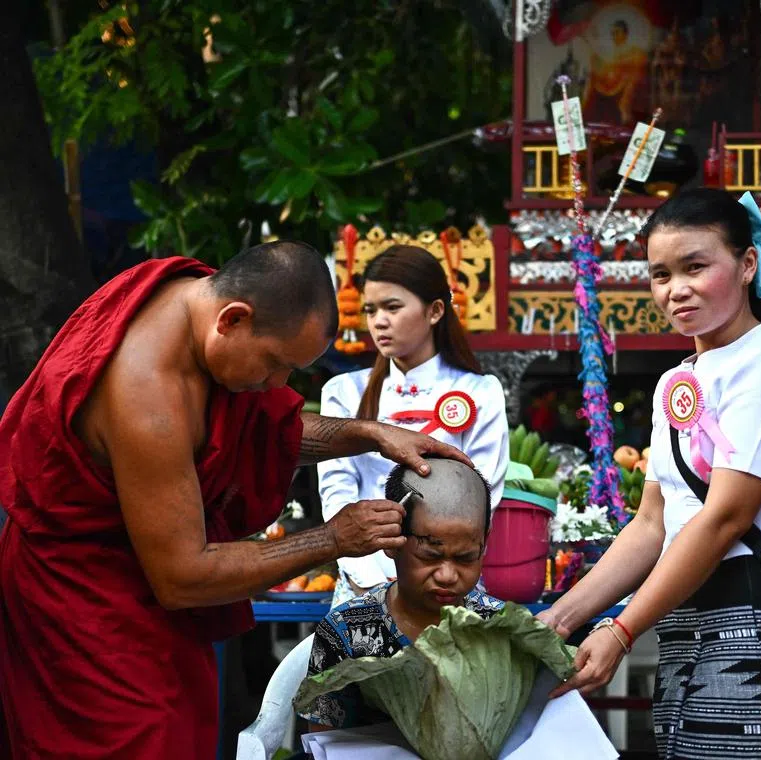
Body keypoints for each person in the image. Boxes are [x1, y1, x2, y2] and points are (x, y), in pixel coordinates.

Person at [0, 244, 468, 759]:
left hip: (147, 595)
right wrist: (333, 538)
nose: (276, 386)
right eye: (274, 365)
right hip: (85, 602)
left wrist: (368, 434)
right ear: (233, 319)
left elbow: (266, 433)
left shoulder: (196, 306)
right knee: (146, 739)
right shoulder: (145, 395)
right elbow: (183, 576)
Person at [538, 188, 761, 759]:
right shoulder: (674, 381)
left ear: (748, 264)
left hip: (756, 631)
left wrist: (621, 630)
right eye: (660, 274)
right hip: (683, 627)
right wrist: (559, 619)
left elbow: (725, 518)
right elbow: (651, 524)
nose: (675, 289)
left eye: (695, 267)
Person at [318, 246, 508, 604]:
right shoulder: (343, 393)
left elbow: (483, 498)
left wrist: (426, 569)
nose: (379, 322)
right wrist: (373, 581)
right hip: (361, 580)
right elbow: (336, 494)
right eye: (371, 310)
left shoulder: (480, 392)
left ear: (435, 311)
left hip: (446, 579)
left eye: (392, 307)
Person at [301, 458, 503, 731]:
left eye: (465, 558)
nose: (447, 575)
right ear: (392, 541)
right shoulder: (347, 631)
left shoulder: (499, 627)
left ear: (485, 542)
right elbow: (323, 743)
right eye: (430, 556)